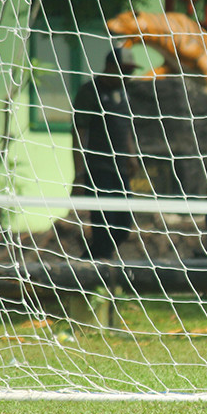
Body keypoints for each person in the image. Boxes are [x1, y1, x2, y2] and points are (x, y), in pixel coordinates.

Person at [71, 46, 139, 260]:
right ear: (110, 67)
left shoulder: (123, 92)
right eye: (124, 70)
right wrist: (79, 174)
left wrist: (132, 156)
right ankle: (101, 270)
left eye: (131, 71)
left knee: (124, 226)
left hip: (121, 169)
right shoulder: (89, 92)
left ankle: (87, 261)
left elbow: (125, 126)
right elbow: (79, 133)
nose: (128, 76)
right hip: (98, 169)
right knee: (104, 226)